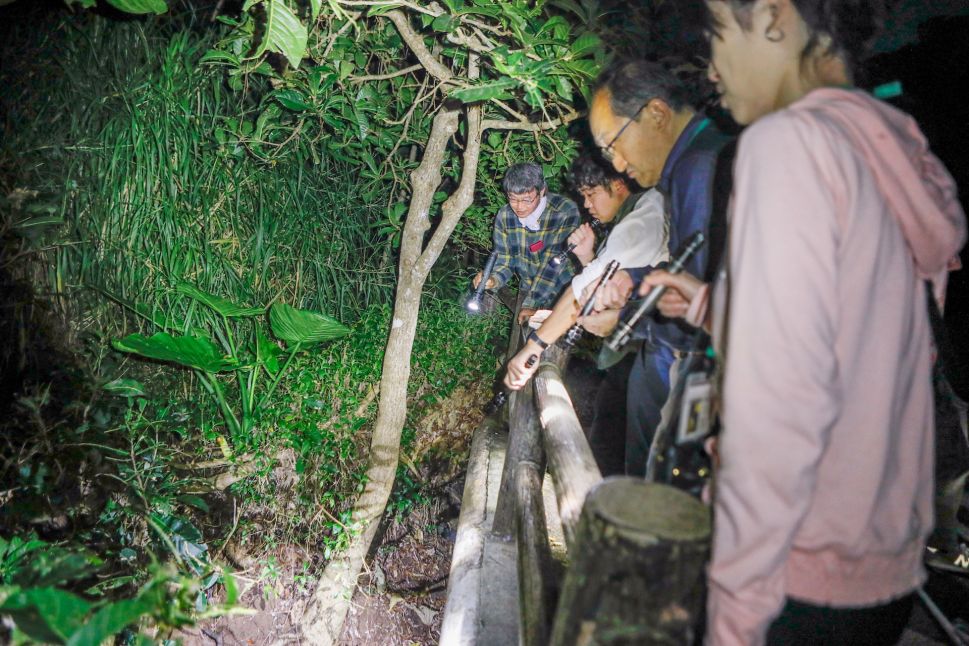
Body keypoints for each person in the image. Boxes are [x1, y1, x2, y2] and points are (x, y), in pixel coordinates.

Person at [634, 1, 967, 643]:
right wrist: (708, 304)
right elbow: (859, 331)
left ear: (775, 18)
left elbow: (777, 414)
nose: (712, 67)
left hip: (795, 568)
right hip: (882, 559)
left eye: (719, 34)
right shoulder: (887, 138)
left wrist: (733, 614)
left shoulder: (786, 145)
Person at [575, 59, 734, 476]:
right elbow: (695, 271)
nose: (616, 164)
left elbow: (708, 304)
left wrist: (624, 320)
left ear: (657, 114)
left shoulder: (701, 168)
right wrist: (633, 280)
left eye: (613, 144)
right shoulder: (695, 164)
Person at [504, 154, 669, 475]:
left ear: (618, 185)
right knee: (608, 447)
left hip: (654, 356)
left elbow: (586, 290)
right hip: (631, 355)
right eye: (583, 196)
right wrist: (587, 256)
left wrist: (533, 347)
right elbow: (608, 285)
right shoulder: (632, 214)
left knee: (629, 459)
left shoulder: (644, 217)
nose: (587, 205)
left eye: (591, 194)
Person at [473, 162, 580, 325]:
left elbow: (553, 264)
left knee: (554, 336)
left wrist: (531, 304)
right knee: (523, 334)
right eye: (513, 199)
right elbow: (504, 259)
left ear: (541, 191)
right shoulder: (505, 216)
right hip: (528, 289)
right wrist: (492, 279)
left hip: (563, 291)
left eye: (526, 200)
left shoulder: (564, 211)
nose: (519, 207)